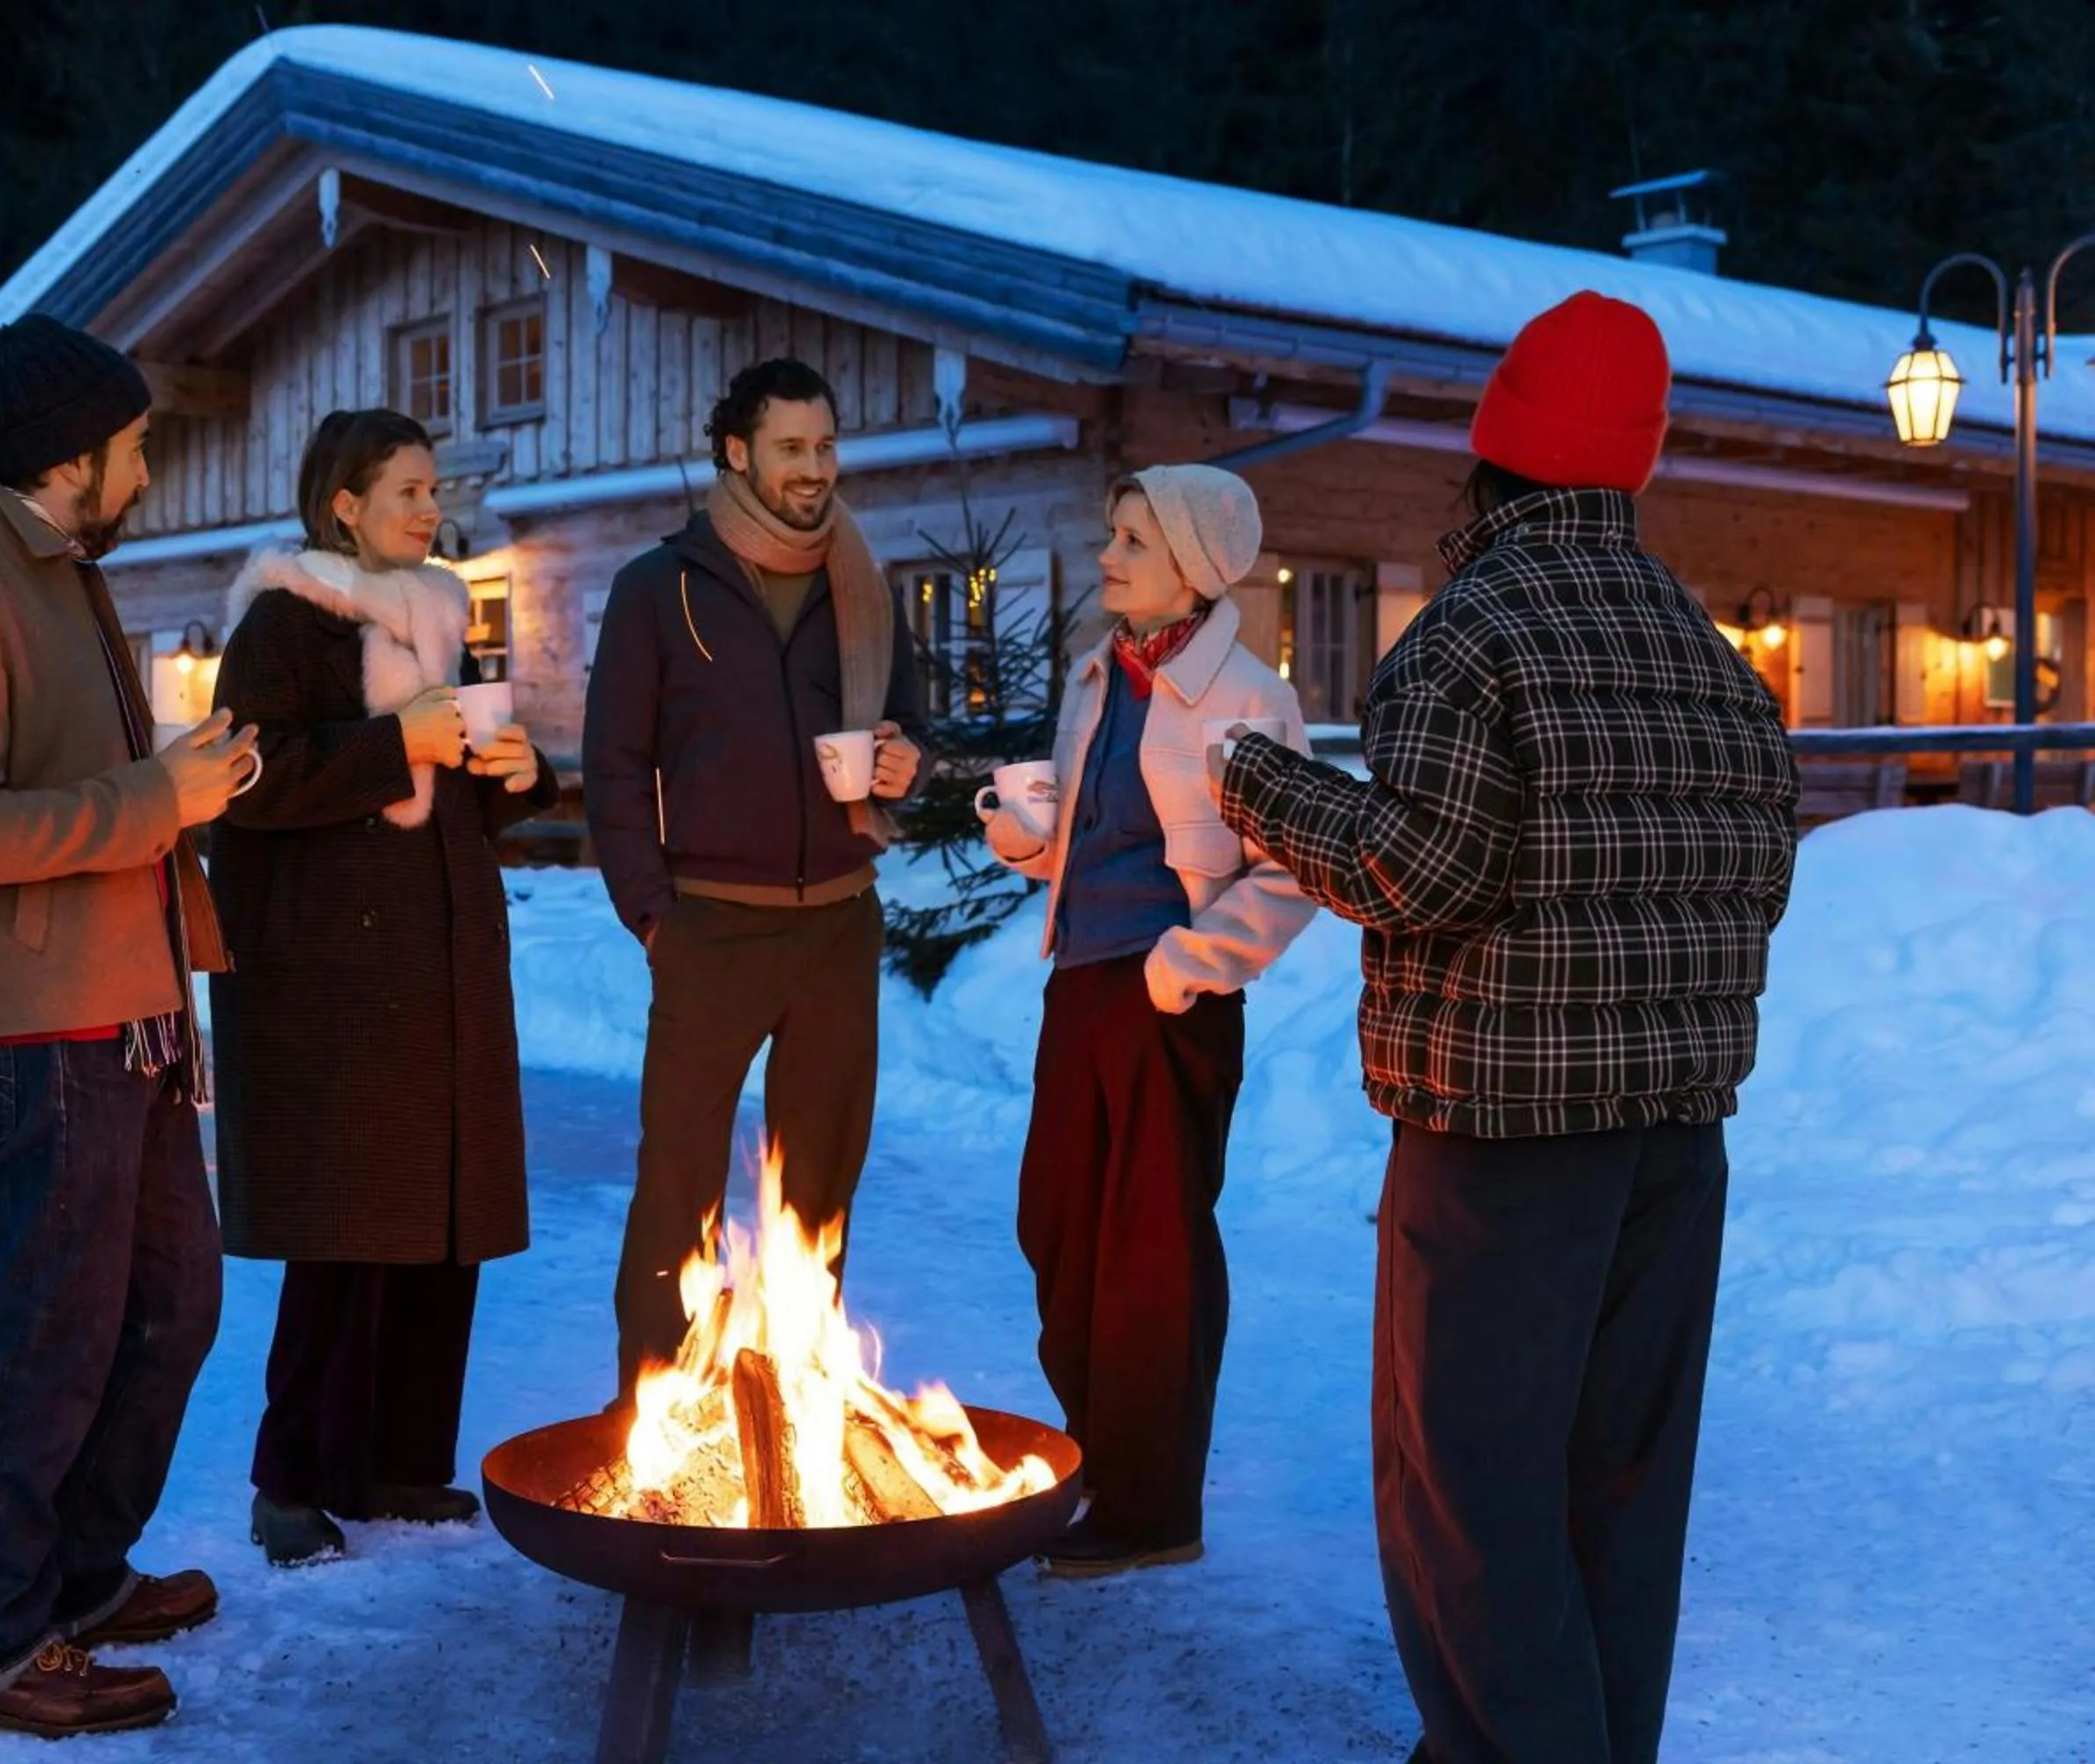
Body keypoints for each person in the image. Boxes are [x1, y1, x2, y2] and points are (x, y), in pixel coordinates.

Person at [1214, 292, 1799, 1763]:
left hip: (1501, 1141)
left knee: (1467, 1495)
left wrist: (1259, 784)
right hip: (1677, 1144)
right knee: (1621, 1491)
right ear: (1634, 462)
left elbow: (1416, 866)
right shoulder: (1713, 657)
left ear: (1493, 453)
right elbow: (1760, 879)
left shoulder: (1470, 633)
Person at [0, 314, 257, 1738]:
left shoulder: (54, 570)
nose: (146, 469)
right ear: (70, 456)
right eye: (134, 446)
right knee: (41, 1335)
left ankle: (74, 1582)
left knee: (168, 1307)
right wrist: (156, 801)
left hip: (123, 1005)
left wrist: (176, 783)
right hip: (35, 1028)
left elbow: (74, 783)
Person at [206, 409, 557, 1567]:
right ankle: (290, 1482)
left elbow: (445, 792)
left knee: (438, 1223)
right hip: (336, 982)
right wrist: (392, 740)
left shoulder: (434, 614)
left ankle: (400, 1463)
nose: (430, 507)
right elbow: (245, 779)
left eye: (433, 488)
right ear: (343, 504)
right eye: (407, 489)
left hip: (438, 962)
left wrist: (514, 776)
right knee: (346, 1229)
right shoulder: (284, 622)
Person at [978, 465, 1318, 1578]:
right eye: (1112, 532)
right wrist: (1027, 838)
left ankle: (1152, 1506)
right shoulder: (1099, 677)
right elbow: (1089, 840)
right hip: (1079, 988)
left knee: (1153, 1258)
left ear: (1195, 563)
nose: (1108, 554)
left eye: (1134, 539)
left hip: (1171, 1004)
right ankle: (1100, 1459)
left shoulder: (1248, 698)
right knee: (1057, 1228)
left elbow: (1292, 871)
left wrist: (1186, 966)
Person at [584, 357, 933, 1397]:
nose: (815, 467)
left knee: (819, 1192)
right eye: (791, 447)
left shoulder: (859, 583)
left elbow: (908, 727)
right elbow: (614, 765)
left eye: (825, 446)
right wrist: (655, 915)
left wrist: (903, 763)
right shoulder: (659, 588)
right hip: (712, 927)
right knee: (676, 1190)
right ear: (737, 452)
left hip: (837, 927)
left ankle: (798, 1405)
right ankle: (653, 1408)